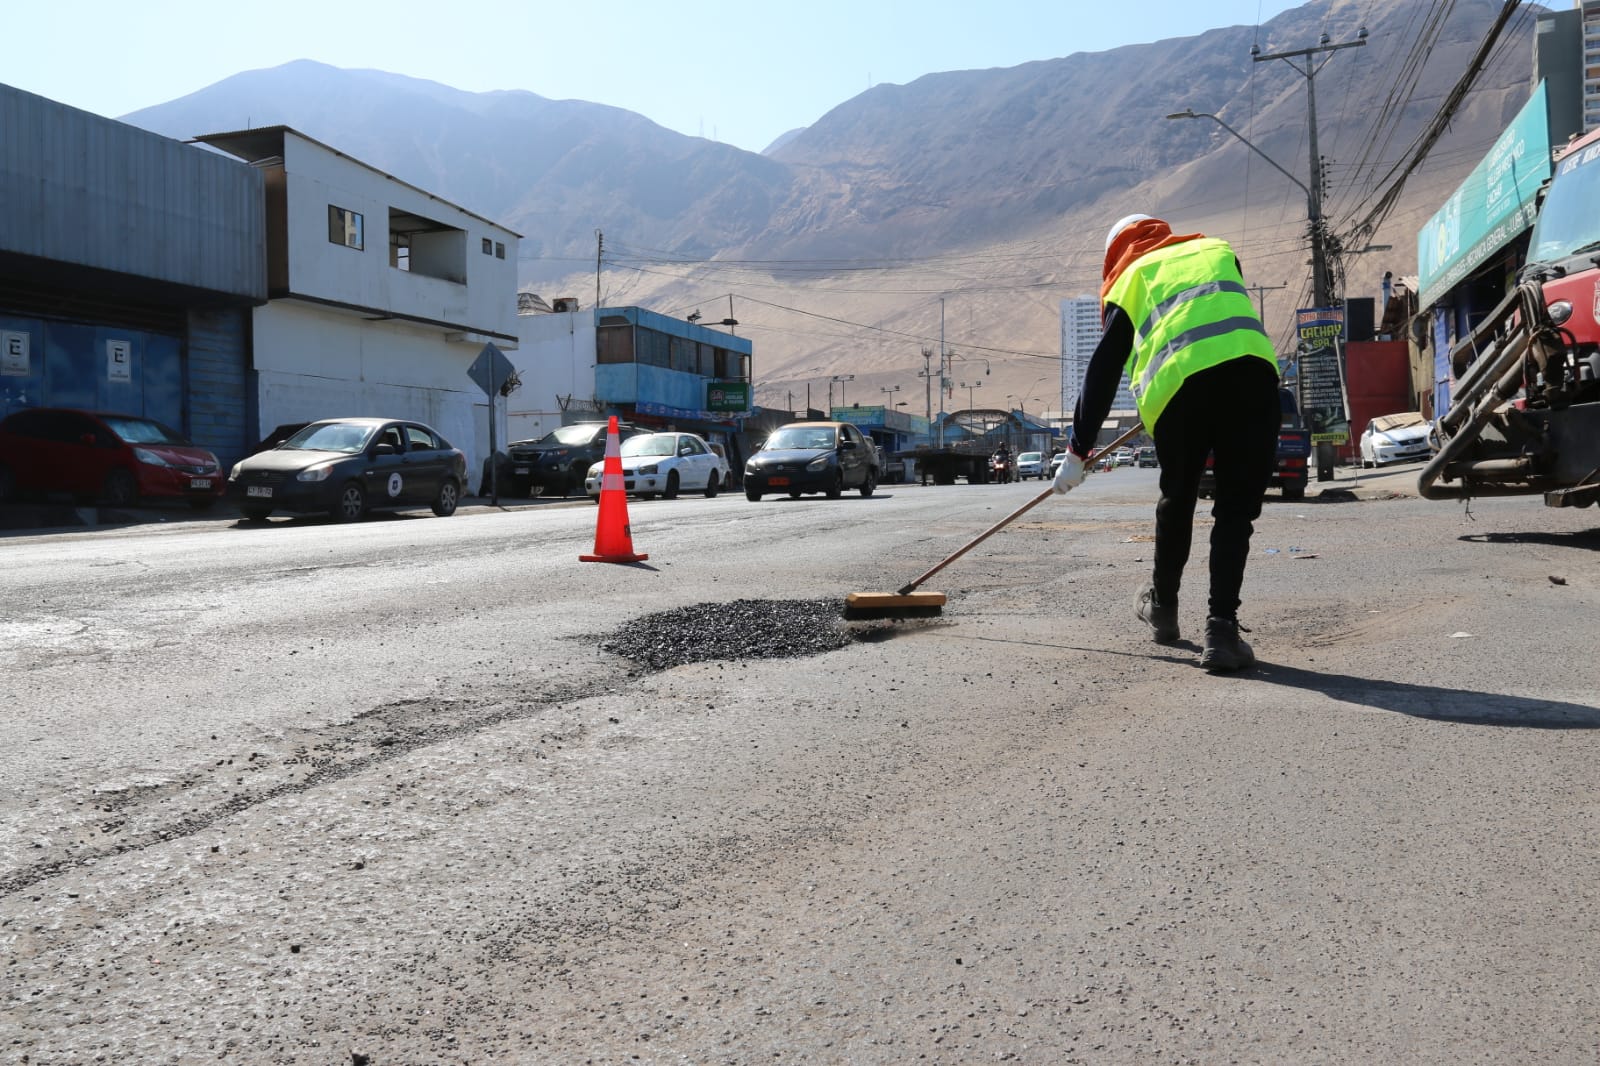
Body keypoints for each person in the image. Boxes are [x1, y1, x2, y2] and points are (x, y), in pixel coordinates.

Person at [1052, 213, 1280, 672]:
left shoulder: (1131, 277)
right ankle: (1222, 631)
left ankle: (1164, 608)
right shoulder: (1216, 249)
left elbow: (1104, 369)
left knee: (1178, 498)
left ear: (1115, 254)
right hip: (1255, 379)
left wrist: (1078, 450)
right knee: (1235, 511)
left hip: (1181, 392)